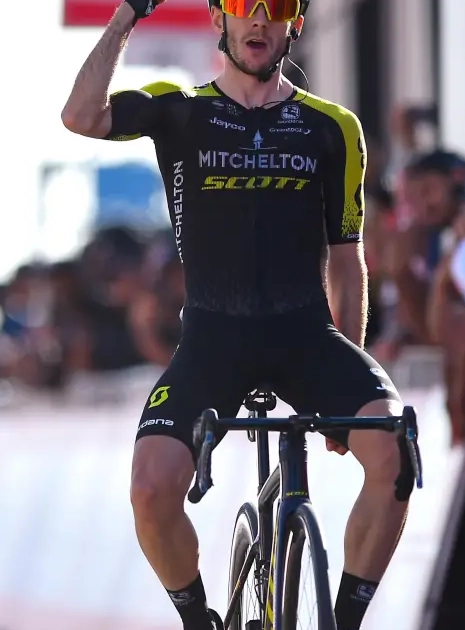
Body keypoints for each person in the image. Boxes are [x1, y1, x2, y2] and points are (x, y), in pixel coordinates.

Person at [60, 1, 409, 630]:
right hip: (212, 343)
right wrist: (127, 16)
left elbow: (346, 261)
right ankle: (199, 619)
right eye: (245, 5)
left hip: (308, 339)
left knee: (396, 457)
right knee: (150, 490)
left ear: (295, 23)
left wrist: (349, 377)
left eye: (279, 7)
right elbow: (80, 116)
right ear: (219, 19)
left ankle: (346, 620)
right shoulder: (178, 109)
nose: (260, 20)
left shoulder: (333, 127)